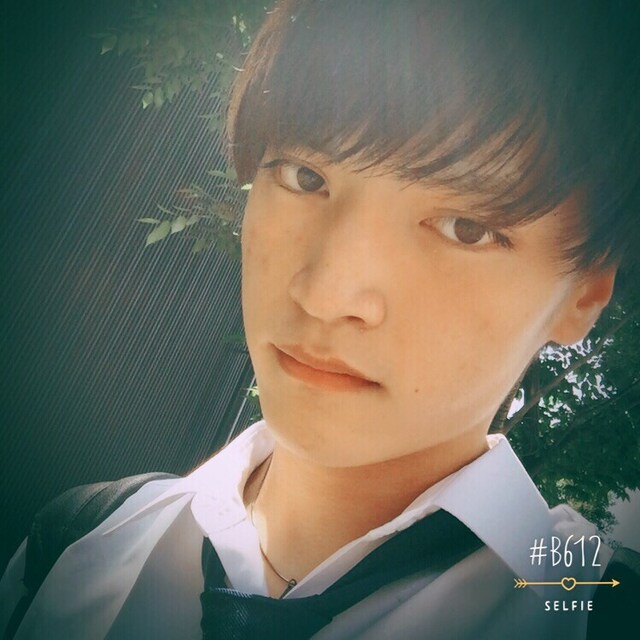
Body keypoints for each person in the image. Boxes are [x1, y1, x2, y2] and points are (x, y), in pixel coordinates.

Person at [1, 0, 639, 638]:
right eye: (305, 176)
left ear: (583, 296)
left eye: (464, 228)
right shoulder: (74, 546)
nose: (325, 295)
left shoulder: (597, 614)